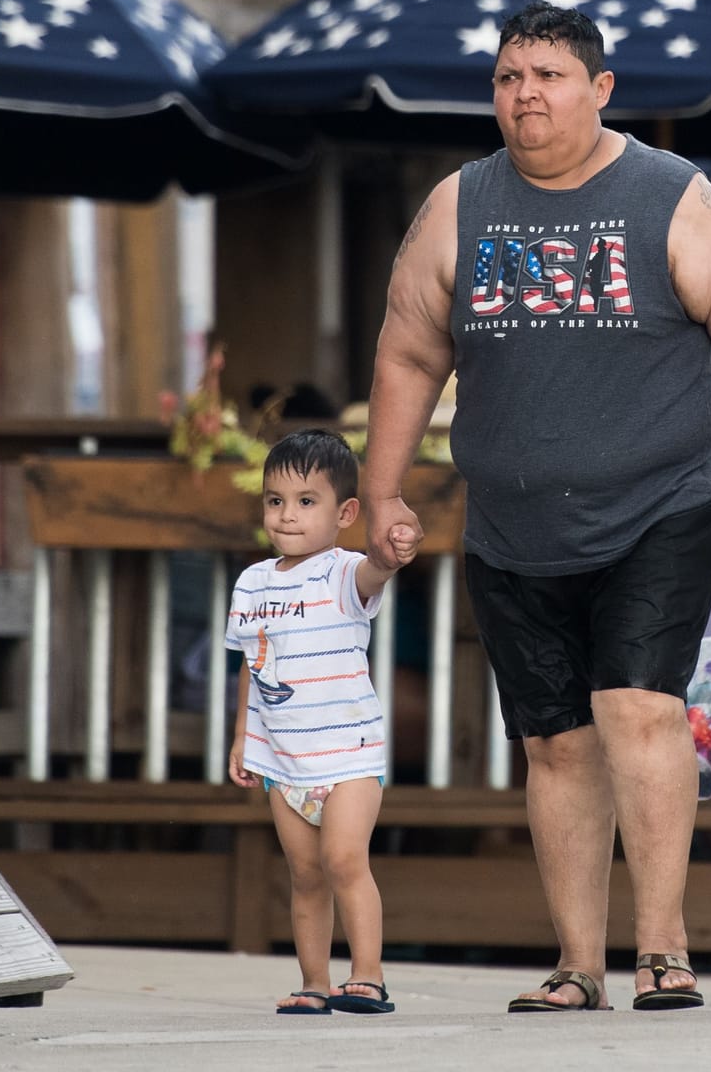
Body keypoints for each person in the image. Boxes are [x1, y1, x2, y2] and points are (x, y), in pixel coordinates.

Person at [361, 1, 711, 1014]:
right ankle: (578, 961)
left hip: (659, 502)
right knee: (555, 741)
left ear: (601, 90)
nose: (526, 94)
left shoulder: (673, 199)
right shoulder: (459, 205)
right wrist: (379, 488)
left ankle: (663, 947)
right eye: (509, 76)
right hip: (511, 522)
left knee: (638, 706)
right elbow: (405, 350)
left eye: (549, 75)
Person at [227, 429, 413, 1016]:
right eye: (275, 500)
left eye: (307, 502)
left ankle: (368, 975)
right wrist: (241, 739)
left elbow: (375, 576)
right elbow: (251, 665)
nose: (287, 515)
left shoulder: (344, 572)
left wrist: (389, 551)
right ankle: (313, 982)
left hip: (349, 755)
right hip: (282, 760)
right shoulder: (253, 582)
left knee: (343, 862)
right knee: (305, 875)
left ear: (345, 513)